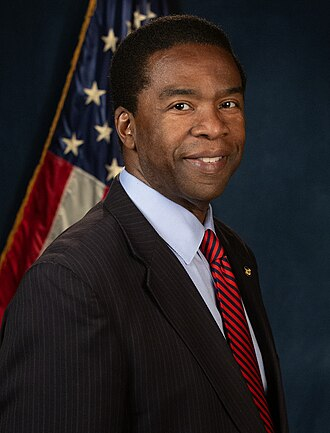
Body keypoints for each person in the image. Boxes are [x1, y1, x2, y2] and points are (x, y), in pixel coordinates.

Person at [0, 15, 289, 433]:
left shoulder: (232, 253)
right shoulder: (70, 282)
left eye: (228, 103)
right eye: (180, 105)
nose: (214, 127)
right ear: (127, 127)